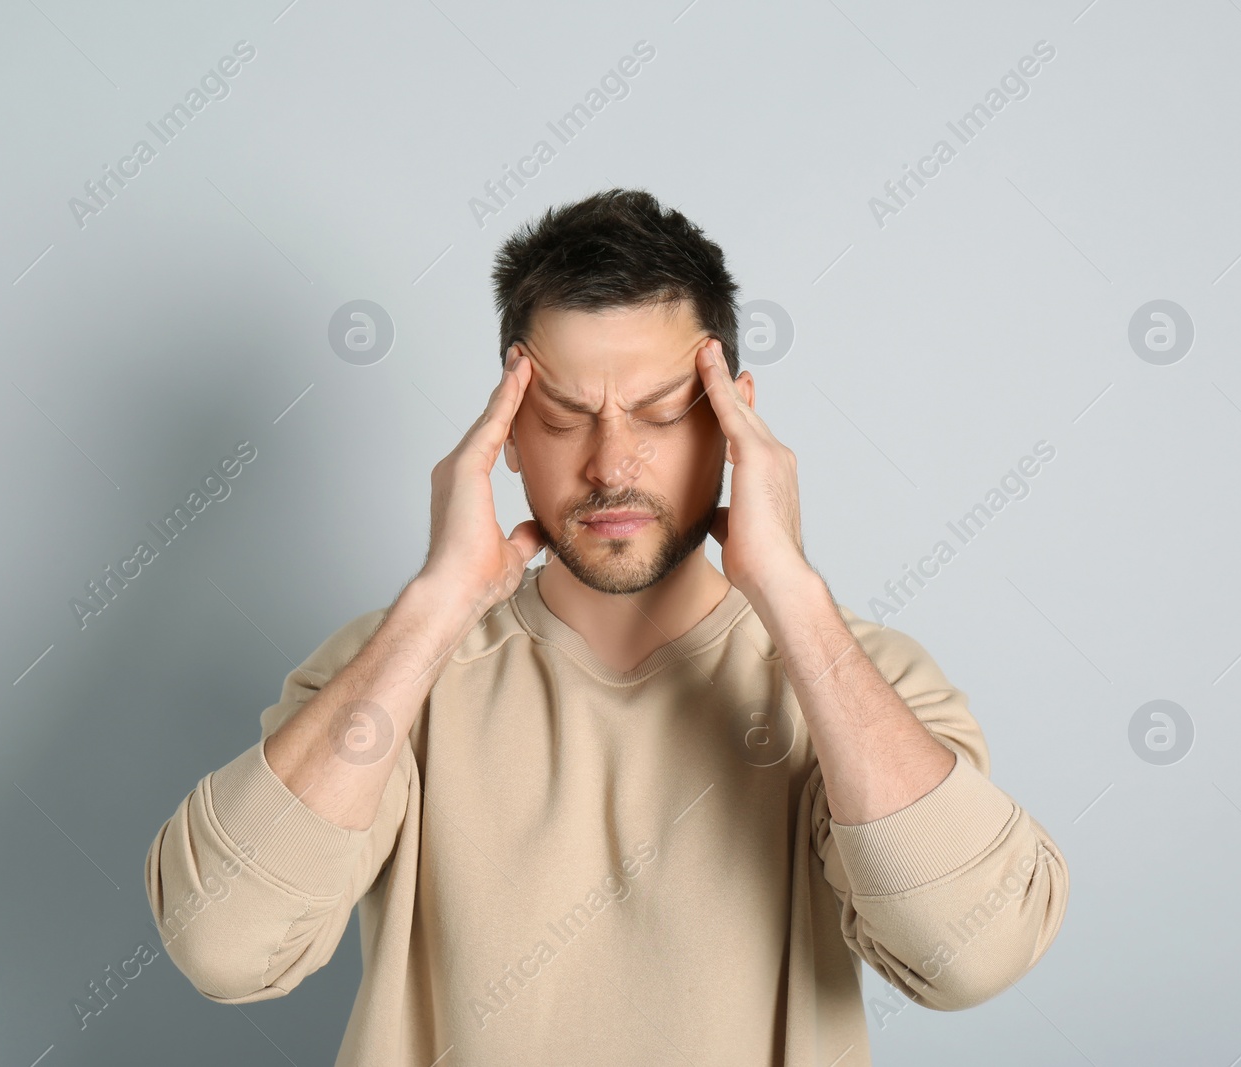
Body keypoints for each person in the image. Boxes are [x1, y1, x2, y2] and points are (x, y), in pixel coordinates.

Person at [144, 188, 1070, 1065]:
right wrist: (434, 607)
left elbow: (973, 953)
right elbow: (224, 945)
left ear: (737, 418)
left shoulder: (863, 678)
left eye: (664, 411)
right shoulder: (390, 669)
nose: (612, 462)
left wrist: (789, 592)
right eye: (563, 416)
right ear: (504, 432)